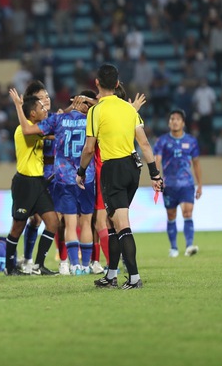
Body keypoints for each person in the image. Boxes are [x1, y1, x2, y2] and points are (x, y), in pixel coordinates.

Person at [75, 64, 163, 290]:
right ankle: (111, 275)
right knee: (111, 221)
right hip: (133, 168)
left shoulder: (96, 111)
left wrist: (81, 171)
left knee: (121, 224)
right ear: (117, 84)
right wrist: (155, 174)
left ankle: (134, 278)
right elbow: (144, 143)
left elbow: (88, 148)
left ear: (96, 83)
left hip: (112, 168)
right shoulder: (129, 109)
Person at [14, 90, 98, 275]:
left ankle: (72, 265)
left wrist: (18, 107)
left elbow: (27, 130)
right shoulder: (92, 120)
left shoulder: (57, 120)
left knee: (68, 224)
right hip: (86, 176)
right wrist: (88, 100)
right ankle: (86, 265)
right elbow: (105, 107)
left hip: (63, 177)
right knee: (86, 222)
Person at [4, 91, 60, 276]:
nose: (45, 110)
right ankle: (9, 267)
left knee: (52, 222)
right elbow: (47, 134)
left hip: (39, 183)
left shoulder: (37, 127)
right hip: (24, 183)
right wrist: (18, 106)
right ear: (32, 114)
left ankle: (38, 265)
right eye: (41, 108)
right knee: (17, 227)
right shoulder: (23, 129)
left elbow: (54, 133)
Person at [154, 109, 202, 257]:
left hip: (187, 184)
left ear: (183, 123)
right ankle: (174, 248)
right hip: (169, 185)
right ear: (169, 123)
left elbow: (196, 163)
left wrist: (200, 184)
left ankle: (189, 246)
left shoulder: (191, 141)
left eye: (177, 119)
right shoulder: (162, 141)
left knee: (188, 212)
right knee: (171, 215)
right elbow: (157, 160)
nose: (174, 121)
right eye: (172, 119)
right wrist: (156, 178)